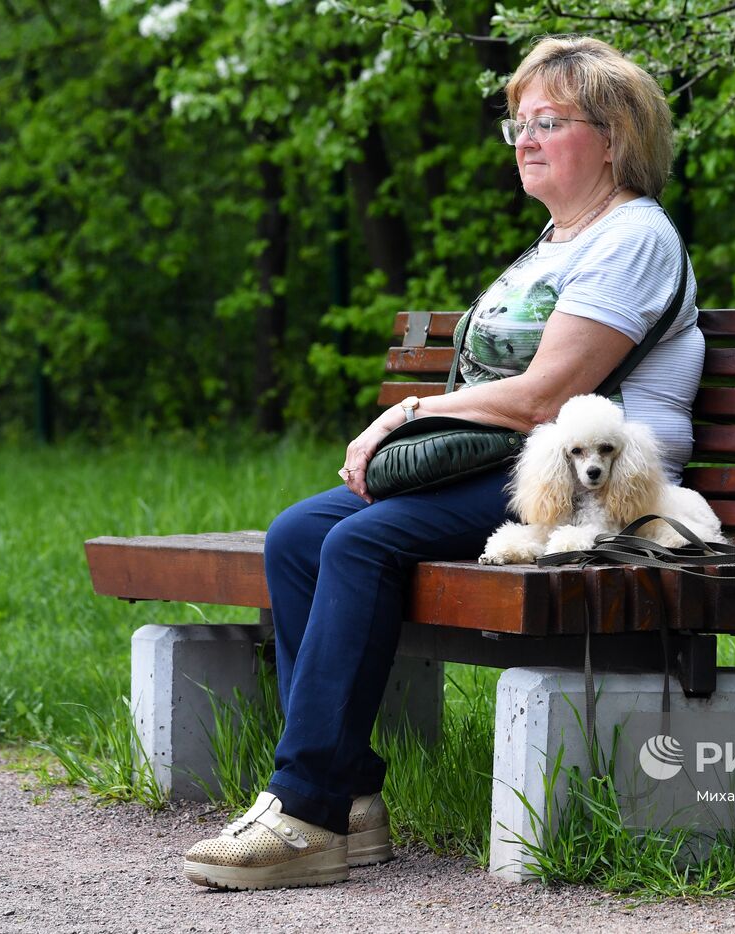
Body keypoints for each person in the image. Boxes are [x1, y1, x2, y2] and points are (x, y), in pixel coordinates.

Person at [181, 35, 705, 891]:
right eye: (517, 125)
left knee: (360, 543)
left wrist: (410, 411)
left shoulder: (634, 237)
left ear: (613, 138)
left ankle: (302, 809)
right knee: (299, 534)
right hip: (512, 468)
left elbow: (546, 399)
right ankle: (350, 799)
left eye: (549, 122)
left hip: (587, 489)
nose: (525, 140)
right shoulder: (553, 242)